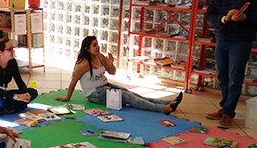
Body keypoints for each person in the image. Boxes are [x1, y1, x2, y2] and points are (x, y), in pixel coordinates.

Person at [205, 0, 257, 129]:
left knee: (234, 79)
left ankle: (228, 113)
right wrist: (224, 18)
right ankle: (225, 108)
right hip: (222, 39)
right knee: (222, 76)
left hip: (241, 40)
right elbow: (209, 16)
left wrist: (244, 17)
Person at [54, 36, 182, 114]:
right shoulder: (83, 64)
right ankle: (163, 109)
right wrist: (67, 97)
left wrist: (110, 64)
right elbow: (73, 81)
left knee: (131, 93)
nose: (97, 47)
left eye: (97, 44)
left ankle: (166, 102)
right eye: (94, 45)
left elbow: (112, 72)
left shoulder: (100, 57)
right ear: (87, 49)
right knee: (128, 98)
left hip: (105, 86)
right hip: (94, 94)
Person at [0, 38, 38, 116]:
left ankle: (5, 110)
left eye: (13, 48)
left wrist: (25, 93)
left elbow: (19, 80)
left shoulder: (12, 62)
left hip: (2, 93)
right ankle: (8, 108)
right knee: (1, 102)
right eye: (10, 49)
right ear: (1, 52)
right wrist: (15, 97)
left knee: (33, 92)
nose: (13, 51)